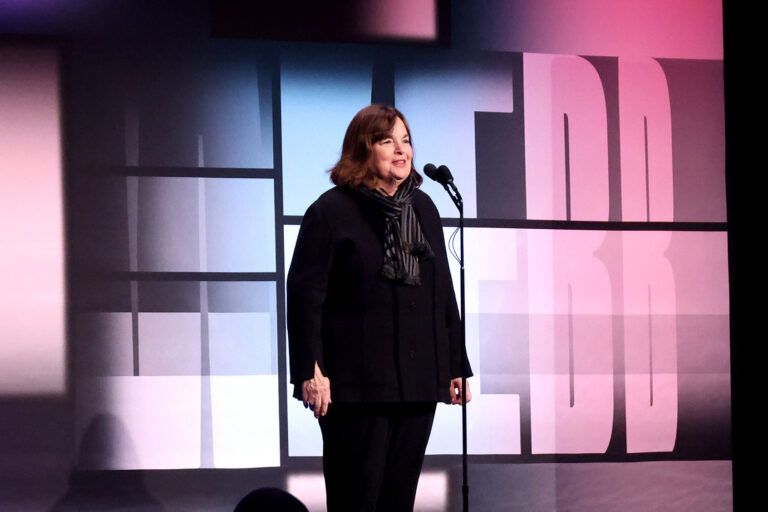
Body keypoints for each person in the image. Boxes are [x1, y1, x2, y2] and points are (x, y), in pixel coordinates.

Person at [287, 104, 472, 512]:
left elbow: (442, 290)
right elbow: (304, 295)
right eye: (387, 140)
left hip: (417, 383)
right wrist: (310, 370)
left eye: (406, 140)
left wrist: (455, 363)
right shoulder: (332, 211)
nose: (401, 150)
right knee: (357, 501)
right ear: (363, 149)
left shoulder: (423, 208)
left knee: (397, 503)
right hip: (356, 390)